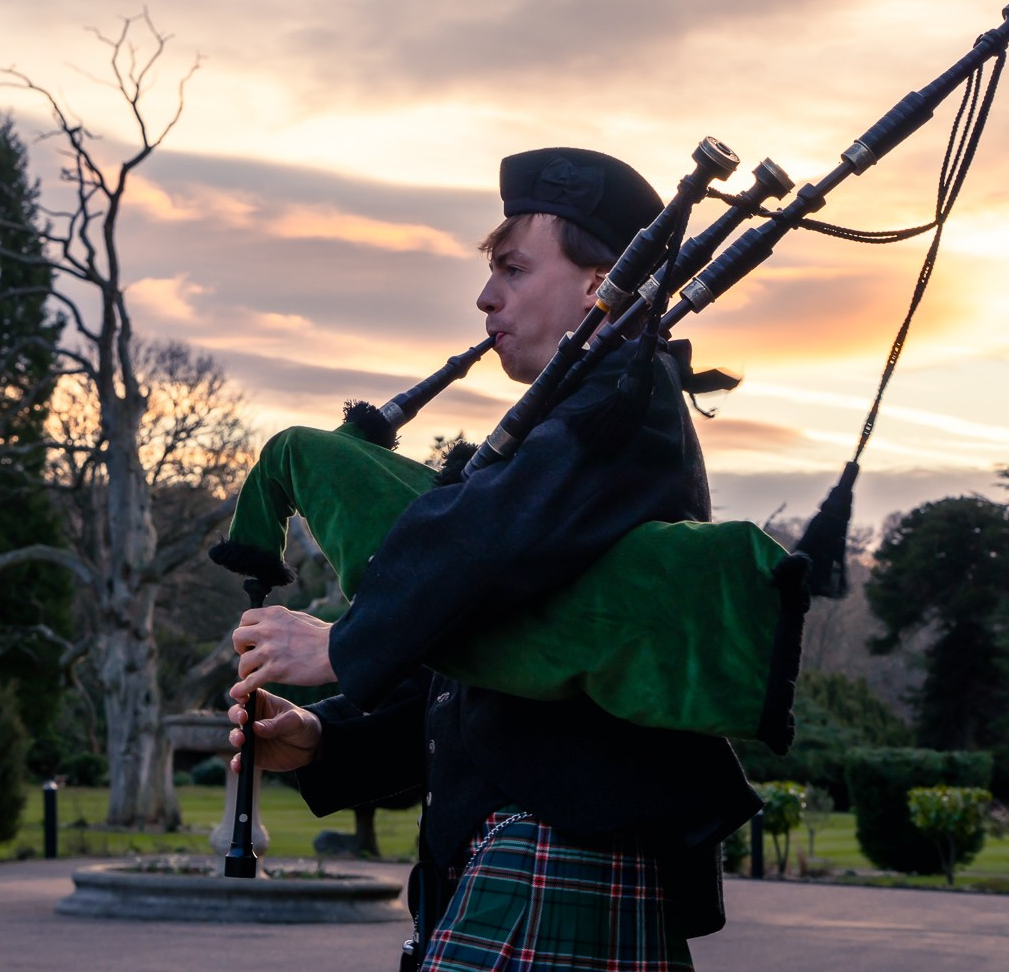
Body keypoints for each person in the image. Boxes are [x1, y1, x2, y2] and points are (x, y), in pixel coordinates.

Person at [227, 148, 760, 971]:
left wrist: (342, 643)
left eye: (513, 269)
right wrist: (322, 741)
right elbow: (493, 675)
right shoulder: (581, 422)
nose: (485, 296)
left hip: (558, 849)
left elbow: (477, 546)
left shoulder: (619, 406)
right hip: (522, 849)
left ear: (599, 286)